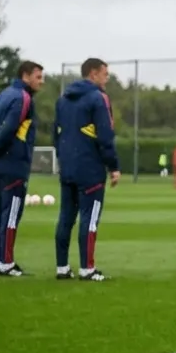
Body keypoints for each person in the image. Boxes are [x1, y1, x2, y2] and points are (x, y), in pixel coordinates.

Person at [54, 58, 120, 282]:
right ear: (93, 74)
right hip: (90, 169)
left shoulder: (63, 99)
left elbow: (57, 135)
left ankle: (62, 267)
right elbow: (105, 135)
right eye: (105, 74)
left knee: (65, 218)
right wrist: (113, 167)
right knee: (89, 219)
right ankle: (87, 269)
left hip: (67, 168)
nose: (107, 78)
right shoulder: (98, 98)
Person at [0, 60, 45, 277]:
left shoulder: (3, 95)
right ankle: (7, 263)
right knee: (11, 214)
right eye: (38, 77)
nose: (41, 82)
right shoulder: (23, 98)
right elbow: (9, 129)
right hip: (13, 164)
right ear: (26, 76)